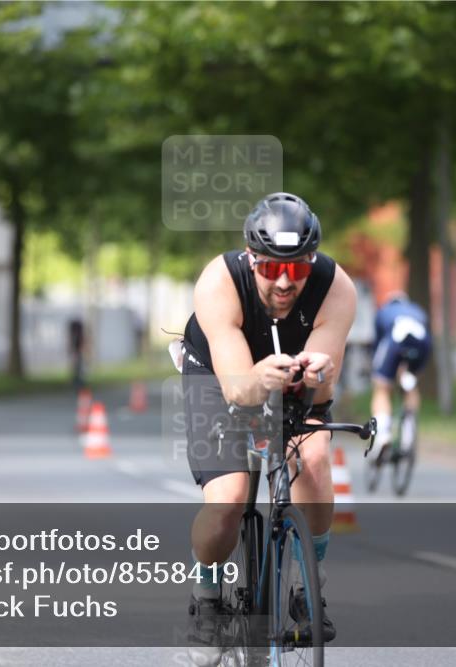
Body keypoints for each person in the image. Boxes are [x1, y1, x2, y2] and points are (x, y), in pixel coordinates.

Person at [179, 192, 356, 663]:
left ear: (310, 262)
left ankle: (306, 587)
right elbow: (238, 390)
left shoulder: (336, 287)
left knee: (314, 458)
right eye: (271, 268)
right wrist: (257, 379)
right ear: (251, 259)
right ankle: (206, 592)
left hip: (293, 381)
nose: (283, 280)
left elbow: (321, 384)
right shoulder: (220, 281)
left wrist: (319, 373)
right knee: (230, 501)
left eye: (296, 269)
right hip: (220, 378)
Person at [367, 291, 432, 462]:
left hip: (394, 341)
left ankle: (383, 436)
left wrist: (378, 372)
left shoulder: (383, 312)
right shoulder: (418, 310)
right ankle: (408, 433)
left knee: (381, 388)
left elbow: (378, 346)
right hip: (422, 343)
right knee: (410, 383)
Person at [67, 317, 86, 389]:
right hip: (77, 353)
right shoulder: (76, 335)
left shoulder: (77, 335)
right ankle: (77, 382)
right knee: (77, 368)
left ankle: (79, 383)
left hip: (78, 353)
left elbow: (79, 344)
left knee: (78, 368)